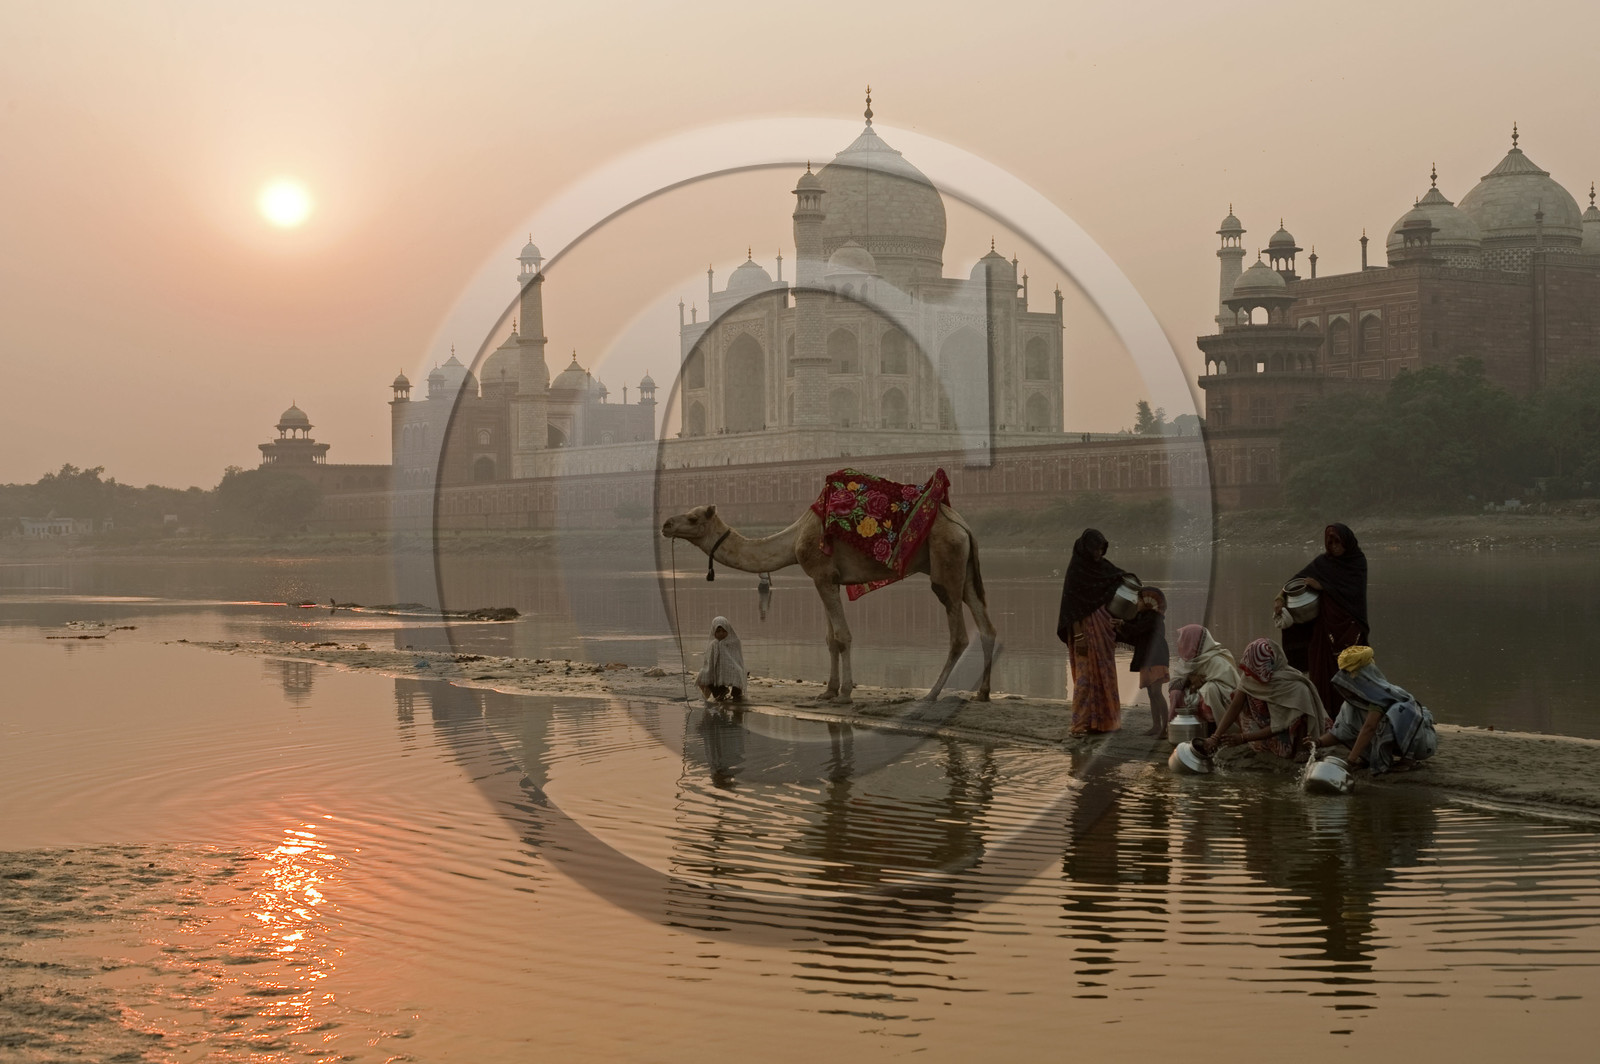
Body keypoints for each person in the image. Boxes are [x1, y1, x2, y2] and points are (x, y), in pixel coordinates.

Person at [1277, 523, 1369, 717]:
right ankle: (1324, 718)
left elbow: (1353, 593)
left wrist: (1323, 586)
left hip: (1350, 629)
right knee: (1321, 672)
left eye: (1338, 542)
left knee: (1350, 673)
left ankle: (1352, 720)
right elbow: (1294, 581)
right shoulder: (1323, 563)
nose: (1334, 546)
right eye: (1330, 542)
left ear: (1347, 542)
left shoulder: (1357, 563)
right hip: (1323, 630)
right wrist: (1279, 598)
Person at [1313, 645, 1438, 774]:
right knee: (1357, 720)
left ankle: (1408, 759)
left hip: (1422, 743)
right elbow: (1341, 731)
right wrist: (1318, 742)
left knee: (1397, 712)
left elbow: (1369, 728)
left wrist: (1350, 761)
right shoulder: (1354, 702)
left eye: (1351, 673)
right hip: (1397, 743)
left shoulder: (1382, 696)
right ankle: (1367, 758)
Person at [1196, 638, 1325, 760]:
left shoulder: (1295, 686)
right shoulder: (1250, 675)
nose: (1252, 677)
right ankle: (1260, 742)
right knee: (1238, 694)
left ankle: (1301, 749)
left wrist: (1243, 738)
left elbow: (1279, 726)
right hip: (1259, 733)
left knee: (1301, 708)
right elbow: (1235, 706)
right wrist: (1215, 737)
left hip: (1286, 737)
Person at [1056, 528, 1126, 735]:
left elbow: (1122, 579)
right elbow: (1072, 607)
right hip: (1084, 631)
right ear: (1086, 548)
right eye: (1095, 549)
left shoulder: (1103, 568)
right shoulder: (1076, 571)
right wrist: (1079, 636)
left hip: (1103, 629)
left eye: (1101, 549)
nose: (1098, 553)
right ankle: (1080, 725)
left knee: (1106, 674)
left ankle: (1104, 722)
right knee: (1085, 679)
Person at [1116, 586, 1170, 737]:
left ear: (1147, 602)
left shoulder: (1153, 618)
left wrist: (1123, 624)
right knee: (1151, 693)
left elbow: (1137, 629)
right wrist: (1120, 627)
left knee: (1156, 692)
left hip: (1157, 657)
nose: (1137, 603)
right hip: (1148, 658)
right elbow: (1134, 636)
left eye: (1139, 600)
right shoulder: (1143, 618)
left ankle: (1164, 728)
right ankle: (1156, 726)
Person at [1167, 624, 1240, 733]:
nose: (1179, 642)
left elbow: (1230, 688)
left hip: (1213, 699)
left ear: (1192, 642)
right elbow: (1172, 684)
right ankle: (1177, 727)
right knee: (1175, 692)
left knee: (1210, 690)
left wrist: (1203, 683)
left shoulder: (1217, 660)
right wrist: (1189, 679)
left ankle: (1214, 729)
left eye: (1183, 639)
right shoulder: (1185, 662)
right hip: (1192, 695)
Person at [696, 615, 746, 703]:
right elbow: (708, 662)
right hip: (717, 669)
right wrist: (707, 671)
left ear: (728, 630)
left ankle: (737, 695)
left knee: (738, 674)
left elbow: (737, 659)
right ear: (713, 632)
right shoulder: (713, 645)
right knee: (704, 676)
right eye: (718, 631)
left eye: (724, 630)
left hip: (732, 668)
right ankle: (721, 691)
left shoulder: (734, 642)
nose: (721, 633)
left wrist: (735, 668)